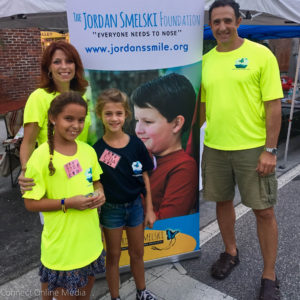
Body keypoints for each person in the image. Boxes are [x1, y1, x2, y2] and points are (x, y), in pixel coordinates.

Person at [200, 1, 283, 299]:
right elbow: (205, 109)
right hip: (215, 148)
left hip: (253, 149)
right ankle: (230, 252)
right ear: (210, 26)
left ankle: (269, 276)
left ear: (238, 20)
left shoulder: (261, 55)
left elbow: (273, 105)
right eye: (216, 22)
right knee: (222, 202)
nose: (222, 27)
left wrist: (270, 149)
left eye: (227, 20)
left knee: (264, 211)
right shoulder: (206, 61)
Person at [23, 91, 106, 299]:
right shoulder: (41, 156)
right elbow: (31, 204)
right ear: (53, 118)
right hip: (62, 250)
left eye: (80, 119)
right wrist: (67, 203)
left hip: (90, 243)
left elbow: (96, 181)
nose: (75, 125)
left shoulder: (88, 151)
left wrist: (100, 193)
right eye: (68, 118)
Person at [93, 88, 157, 300]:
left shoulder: (136, 144)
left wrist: (149, 209)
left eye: (118, 113)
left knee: (137, 253)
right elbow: (95, 182)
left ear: (126, 115)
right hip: (111, 211)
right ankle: (115, 297)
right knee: (113, 256)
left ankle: (142, 292)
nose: (114, 118)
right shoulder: (96, 150)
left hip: (136, 207)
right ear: (100, 115)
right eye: (108, 114)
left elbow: (145, 177)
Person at [19, 40, 90, 193]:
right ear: (49, 68)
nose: (64, 66)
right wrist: (25, 170)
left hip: (79, 171)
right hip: (52, 172)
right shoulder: (39, 97)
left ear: (75, 66)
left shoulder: (81, 98)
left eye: (69, 61)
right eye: (57, 62)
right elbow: (29, 142)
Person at [131, 73, 198, 220]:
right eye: (137, 120)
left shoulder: (184, 168)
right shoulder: (143, 158)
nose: (138, 130)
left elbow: (166, 222)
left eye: (148, 122)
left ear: (176, 124)